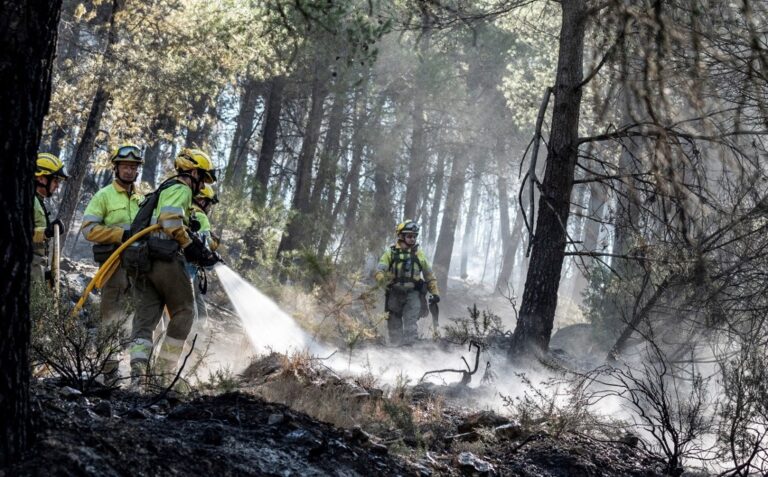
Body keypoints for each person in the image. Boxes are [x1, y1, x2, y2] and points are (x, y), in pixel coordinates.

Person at [129, 148, 220, 384]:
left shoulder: (165, 189)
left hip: (145, 261)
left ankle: (138, 376)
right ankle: (163, 373)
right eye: (202, 179)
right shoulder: (180, 189)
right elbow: (170, 221)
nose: (202, 187)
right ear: (192, 172)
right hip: (166, 260)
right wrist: (189, 245)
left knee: (145, 320)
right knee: (185, 312)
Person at [80, 144, 144, 383]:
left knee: (140, 319)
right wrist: (119, 234)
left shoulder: (141, 199)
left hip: (138, 269)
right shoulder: (104, 196)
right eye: (125, 166)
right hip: (112, 267)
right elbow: (88, 230)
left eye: (133, 167)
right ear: (116, 168)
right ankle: (109, 374)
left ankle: (139, 373)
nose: (129, 171)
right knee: (110, 319)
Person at [374, 220, 440, 345]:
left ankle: (411, 351)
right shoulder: (390, 253)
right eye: (409, 236)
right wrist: (382, 280)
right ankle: (396, 353)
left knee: (411, 324)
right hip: (394, 294)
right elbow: (379, 270)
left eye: (414, 236)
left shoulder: (419, 254)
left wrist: (435, 293)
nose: (412, 239)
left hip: (413, 294)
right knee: (394, 326)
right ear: (401, 236)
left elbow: (429, 275)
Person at [188, 184, 220, 346]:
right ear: (201, 200)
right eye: (208, 203)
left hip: (182, 270)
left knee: (199, 313)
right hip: (188, 273)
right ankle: (195, 349)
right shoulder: (200, 216)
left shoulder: (185, 210)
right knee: (193, 315)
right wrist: (213, 248)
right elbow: (205, 248)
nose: (208, 207)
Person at [32, 153, 68, 286]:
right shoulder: (26, 201)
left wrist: (45, 275)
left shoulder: (38, 201)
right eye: (55, 180)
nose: (57, 186)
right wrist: (46, 232)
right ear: (41, 178)